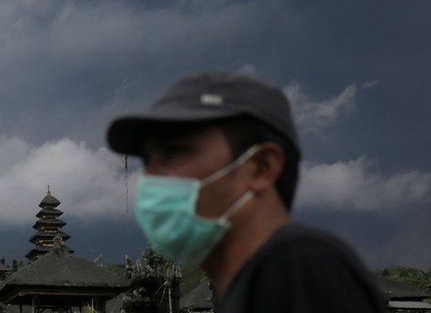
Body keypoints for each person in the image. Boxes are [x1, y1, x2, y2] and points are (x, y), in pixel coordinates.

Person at [107, 71, 386, 312]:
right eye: (149, 160)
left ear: (261, 167)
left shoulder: (296, 269)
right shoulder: (247, 284)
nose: (152, 177)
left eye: (176, 152)